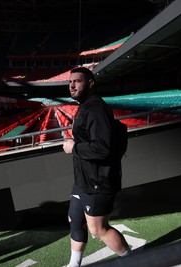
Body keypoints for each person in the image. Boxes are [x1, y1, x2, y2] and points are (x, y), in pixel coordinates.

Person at [63, 67, 131, 267]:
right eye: (70, 82)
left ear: (90, 84)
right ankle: (74, 264)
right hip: (84, 180)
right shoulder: (85, 106)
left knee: (98, 229)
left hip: (97, 181)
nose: (72, 85)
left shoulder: (95, 109)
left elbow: (103, 148)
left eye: (77, 81)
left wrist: (74, 147)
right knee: (75, 219)